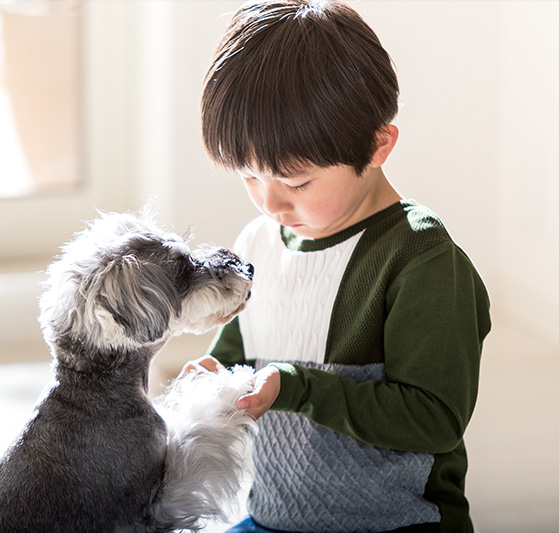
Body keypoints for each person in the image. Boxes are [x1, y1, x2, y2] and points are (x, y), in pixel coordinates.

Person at [183, 1, 492, 532]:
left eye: (297, 182)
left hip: (396, 521)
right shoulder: (258, 242)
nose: (270, 204)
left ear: (377, 146)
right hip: (274, 517)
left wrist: (299, 387)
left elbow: (434, 419)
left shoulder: (423, 262)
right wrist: (217, 374)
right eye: (249, 176)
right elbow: (242, 351)